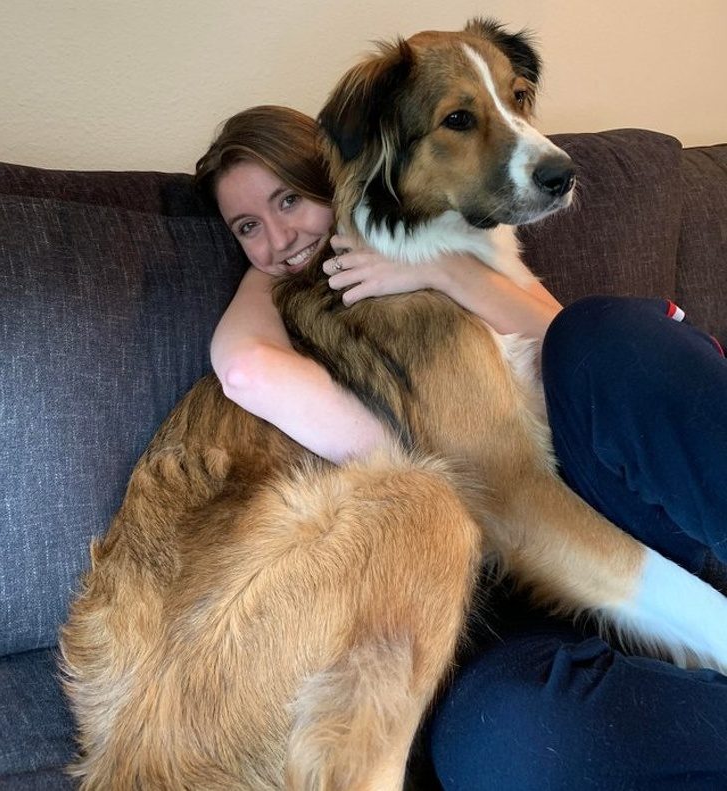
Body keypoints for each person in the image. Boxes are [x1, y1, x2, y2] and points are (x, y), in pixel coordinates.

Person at [196, 105, 727, 790]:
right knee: (507, 741)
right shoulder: (288, 299)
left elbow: (566, 338)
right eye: (246, 227)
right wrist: (439, 474)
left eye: (288, 200)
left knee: (609, 337)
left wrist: (445, 270)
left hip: (611, 502)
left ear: (334, 177)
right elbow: (245, 368)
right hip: (495, 615)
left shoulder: (445, 233)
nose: (277, 237)